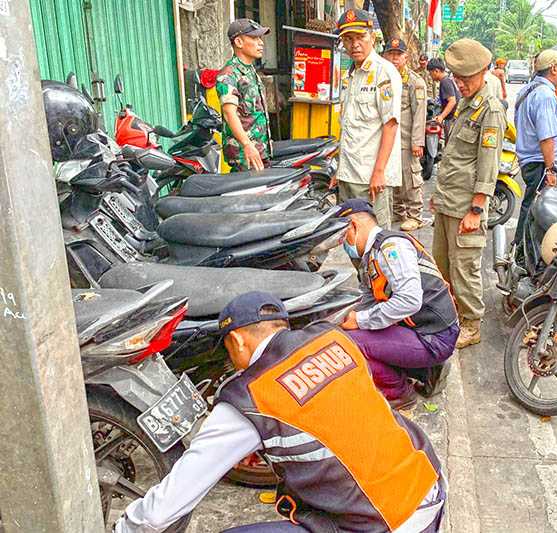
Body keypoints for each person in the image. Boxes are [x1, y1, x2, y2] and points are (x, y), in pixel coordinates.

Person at [114, 292, 447, 533]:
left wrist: (126, 526)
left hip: (385, 521)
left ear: (237, 341)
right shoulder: (333, 339)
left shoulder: (252, 396)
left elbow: (167, 505)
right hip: (428, 487)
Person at [334, 199, 459, 408]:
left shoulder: (391, 247)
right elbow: (369, 299)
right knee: (345, 332)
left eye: (341, 236)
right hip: (420, 328)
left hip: (433, 336)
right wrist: (346, 317)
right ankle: (424, 371)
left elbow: (409, 300)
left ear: (353, 225)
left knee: (351, 344)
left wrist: (361, 320)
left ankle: (399, 392)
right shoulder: (371, 255)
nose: (342, 244)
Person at [430, 38, 505, 349]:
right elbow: (456, 158)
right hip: (449, 201)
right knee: (442, 265)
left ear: (485, 71)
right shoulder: (466, 102)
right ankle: (451, 316)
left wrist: (476, 209)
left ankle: (471, 324)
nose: (459, 84)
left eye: (466, 78)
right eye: (456, 77)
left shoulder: (490, 109)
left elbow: (488, 164)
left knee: (465, 269)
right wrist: (440, 195)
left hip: (466, 208)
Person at [335, 8, 402, 230]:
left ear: (372, 37)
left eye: (360, 37)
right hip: (350, 173)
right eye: (348, 39)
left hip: (371, 178)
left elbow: (390, 125)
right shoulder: (350, 75)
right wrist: (340, 170)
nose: (355, 44)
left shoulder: (384, 73)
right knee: (352, 238)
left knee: (376, 241)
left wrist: (379, 172)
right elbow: (348, 127)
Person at [512, 49, 557, 263]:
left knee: (533, 208)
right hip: (539, 163)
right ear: (554, 68)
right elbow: (546, 137)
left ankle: (522, 252)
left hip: (535, 161)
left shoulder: (530, 89)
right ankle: (521, 254)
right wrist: (550, 169)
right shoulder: (544, 94)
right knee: (536, 210)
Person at [384, 38, 429, 232]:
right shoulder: (383, 78)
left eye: (398, 55)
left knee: (410, 177)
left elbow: (419, 113)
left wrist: (417, 142)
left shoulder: (414, 82)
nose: (394, 59)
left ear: (405, 57)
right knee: (392, 177)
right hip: (388, 140)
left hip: (405, 139)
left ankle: (415, 215)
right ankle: (397, 210)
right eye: (391, 54)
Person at [216, 19, 272, 172]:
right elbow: (229, 113)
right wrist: (247, 145)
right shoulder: (229, 74)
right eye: (254, 38)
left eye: (260, 38)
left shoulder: (250, 71)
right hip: (244, 155)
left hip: (259, 150)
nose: (260, 43)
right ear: (239, 42)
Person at [427, 58, 460, 140]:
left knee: (449, 143)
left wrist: (441, 117)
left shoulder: (445, 82)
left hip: (451, 119)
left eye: (430, 73)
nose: (430, 76)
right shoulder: (448, 80)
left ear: (436, 71)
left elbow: (452, 101)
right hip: (453, 118)